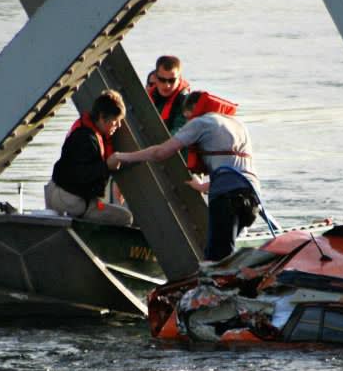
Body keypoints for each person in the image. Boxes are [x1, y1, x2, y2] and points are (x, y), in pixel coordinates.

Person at [108, 91, 261, 260]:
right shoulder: (237, 123)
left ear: (195, 109)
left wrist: (123, 156)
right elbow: (236, 170)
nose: (188, 122)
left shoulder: (201, 122)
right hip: (252, 198)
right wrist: (202, 187)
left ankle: (217, 284)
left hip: (227, 198)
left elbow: (160, 153)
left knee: (216, 257)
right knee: (226, 252)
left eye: (188, 117)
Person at [45, 89, 132, 226]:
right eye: (115, 121)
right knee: (125, 217)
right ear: (102, 118)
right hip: (69, 200)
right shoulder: (87, 140)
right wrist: (106, 166)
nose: (119, 126)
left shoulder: (85, 130)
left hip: (56, 191)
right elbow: (80, 175)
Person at [147, 55, 191, 132]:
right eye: (162, 80)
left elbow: (180, 133)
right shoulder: (148, 95)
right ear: (155, 77)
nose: (167, 85)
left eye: (172, 80)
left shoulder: (185, 102)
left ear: (179, 78)